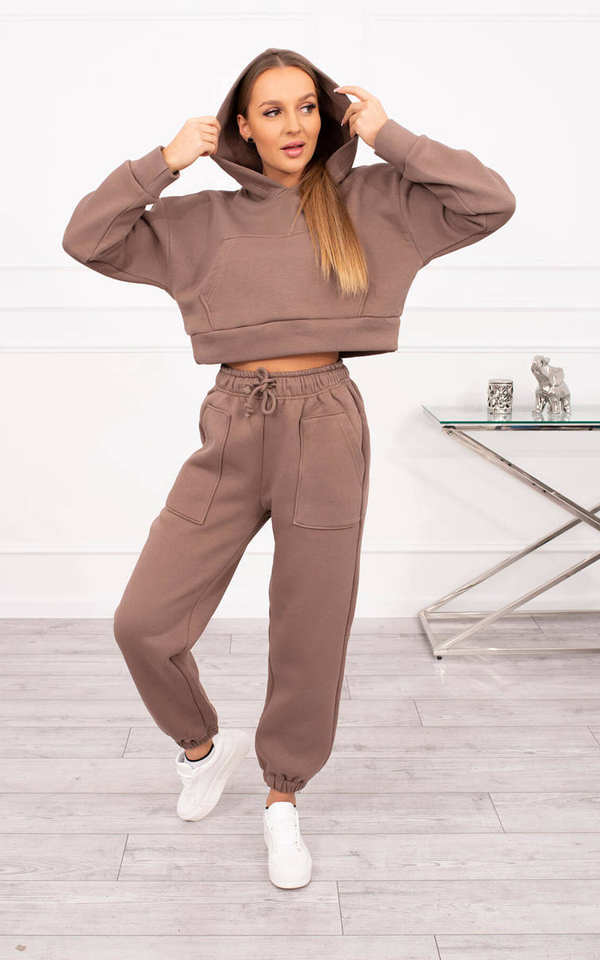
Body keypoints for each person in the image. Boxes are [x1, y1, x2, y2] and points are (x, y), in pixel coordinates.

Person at [61, 46, 516, 889]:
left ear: (328, 114)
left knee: (308, 625)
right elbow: (86, 238)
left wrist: (392, 136)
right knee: (143, 622)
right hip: (233, 422)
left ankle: (282, 799)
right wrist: (163, 161)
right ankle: (202, 748)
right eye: (272, 111)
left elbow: (491, 202)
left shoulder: (375, 200)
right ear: (240, 125)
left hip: (325, 423)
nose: (294, 125)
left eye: (307, 106)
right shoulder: (201, 219)